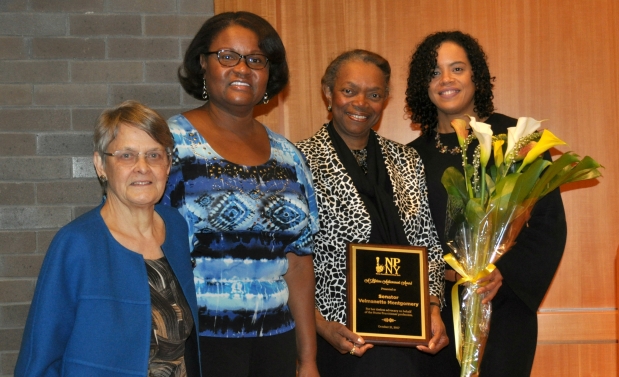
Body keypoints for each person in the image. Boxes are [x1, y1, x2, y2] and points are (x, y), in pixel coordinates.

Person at [161, 11, 319, 377]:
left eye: (256, 59)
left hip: (276, 343)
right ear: (203, 62)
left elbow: (297, 263)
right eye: (227, 56)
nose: (242, 69)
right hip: (196, 342)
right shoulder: (170, 145)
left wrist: (308, 359)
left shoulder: (289, 157)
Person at [405, 31, 567, 377]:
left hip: (504, 303)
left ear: (476, 76)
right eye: (434, 72)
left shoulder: (518, 139)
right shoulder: (409, 158)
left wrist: (503, 273)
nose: (446, 80)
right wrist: (428, 302)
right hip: (436, 314)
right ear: (424, 85)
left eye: (457, 69)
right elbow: (406, 238)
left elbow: (547, 223)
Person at [14, 100, 200, 377]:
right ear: (101, 165)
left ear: (168, 165)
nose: (142, 167)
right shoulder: (77, 243)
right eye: (126, 155)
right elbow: (40, 355)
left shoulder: (174, 226)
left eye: (154, 155)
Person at [295, 49, 448, 377]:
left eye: (374, 94)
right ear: (328, 92)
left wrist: (433, 307)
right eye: (349, 90)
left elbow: (429, 247)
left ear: (385, 100)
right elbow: (289, 260)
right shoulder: (298, 161)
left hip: (410, 337)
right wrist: (319, 325)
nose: (361, 103)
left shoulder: (407, 160)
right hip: (341, 337)